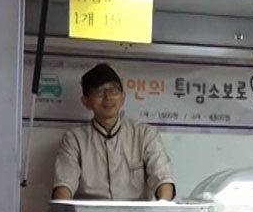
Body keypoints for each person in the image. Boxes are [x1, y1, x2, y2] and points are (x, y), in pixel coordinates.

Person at [52, 63, 175, 202]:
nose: (108, 98)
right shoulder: (74, 139)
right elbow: (64, 185)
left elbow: (163, 178)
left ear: (122, 98)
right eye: (99, 92)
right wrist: (63, 210)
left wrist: (163, 205)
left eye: (113, 91)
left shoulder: (145, 134)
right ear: (86, 101)